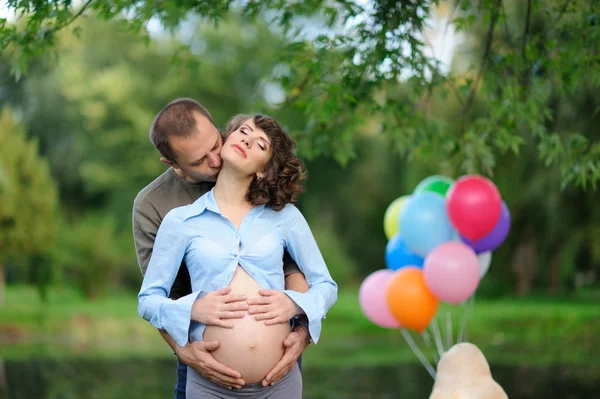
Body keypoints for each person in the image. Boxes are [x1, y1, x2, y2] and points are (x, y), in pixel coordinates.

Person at [138, 112, 338, 398]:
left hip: (279, 384)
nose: (247, 139)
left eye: (260, 145)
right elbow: (148, 300)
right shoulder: (179, 220)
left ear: (263, 170)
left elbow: (327, 287)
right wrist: (192, 309)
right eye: (244, 130)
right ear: (228, 137)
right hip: (209, 386)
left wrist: (295, 305)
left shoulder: (286, 217)